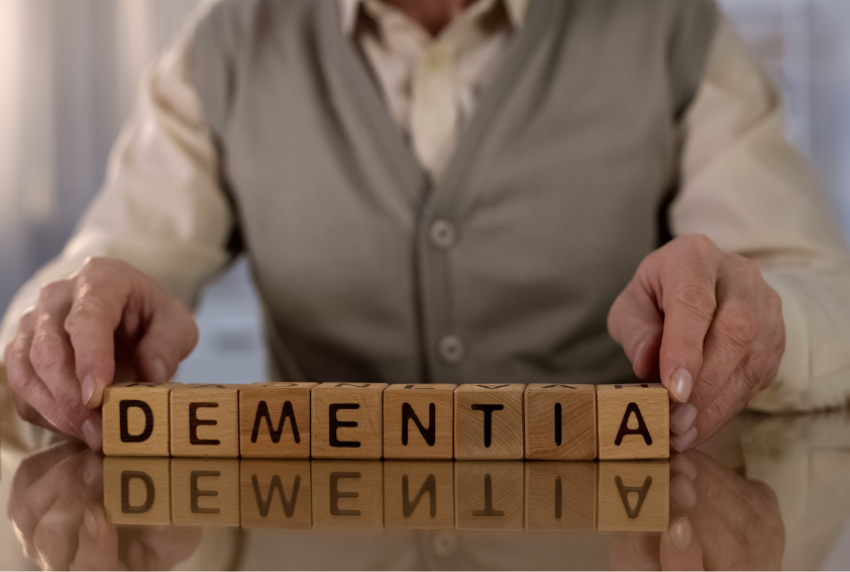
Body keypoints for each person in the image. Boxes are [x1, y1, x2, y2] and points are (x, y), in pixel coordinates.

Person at [3, 0, 850, 453]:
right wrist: (68, 330)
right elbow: (85, 278)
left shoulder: (671, 27)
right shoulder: (222, 47)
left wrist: (760, 320)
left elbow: (823, 298)